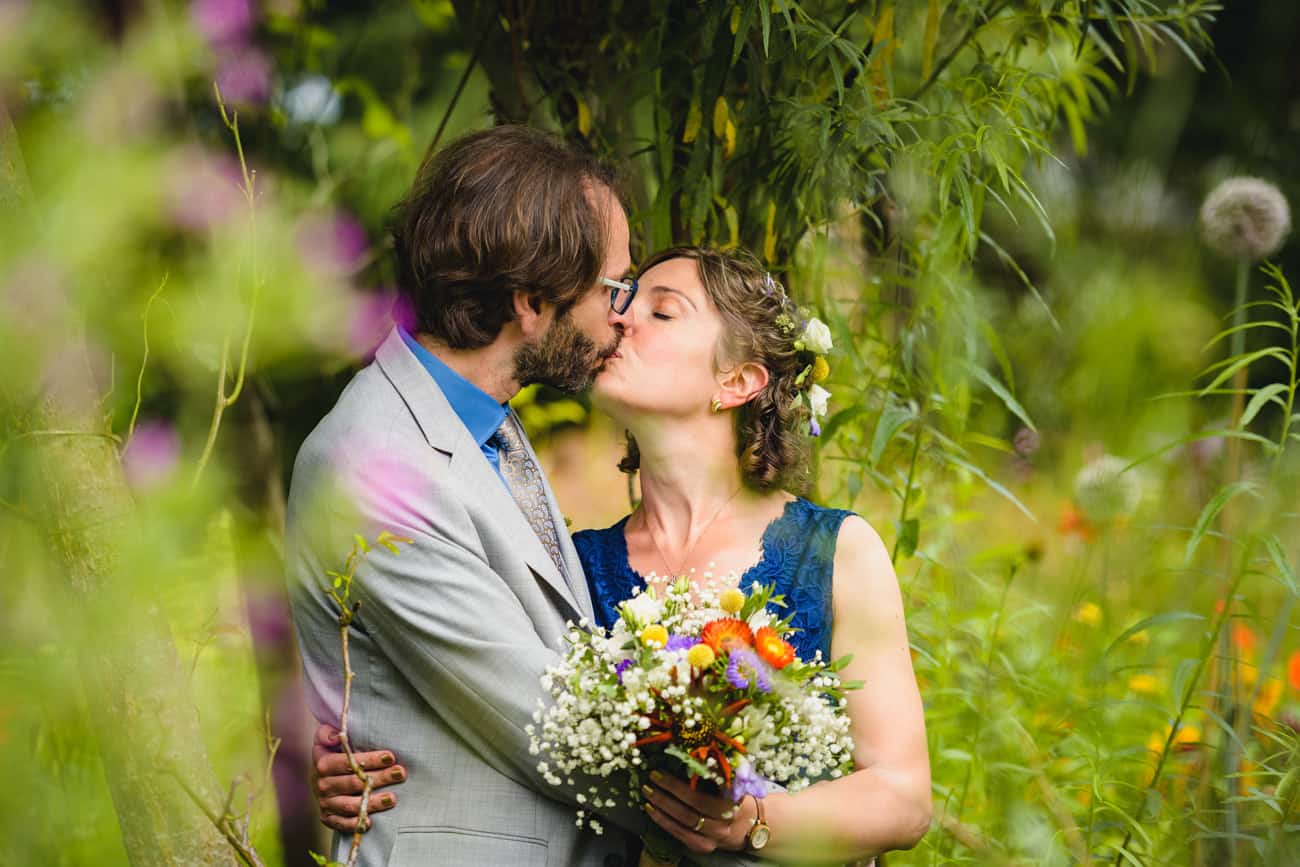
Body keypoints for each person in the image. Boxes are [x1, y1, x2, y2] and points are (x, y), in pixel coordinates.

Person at [314, 246, 932, 865]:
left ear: (738, 380)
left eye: (663, 313)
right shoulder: (571, 565)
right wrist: (366, 754)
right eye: (626, 300)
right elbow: (499, 705)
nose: (622, 320)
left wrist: (752, 822)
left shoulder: (837, 553)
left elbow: (903, 798)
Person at [286, 124, 654, 867]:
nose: (625, 312)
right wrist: (780, 818)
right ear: (528, 301)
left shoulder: (485, 422)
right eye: (614, 287)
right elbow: (553, 727)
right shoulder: (375, 465)